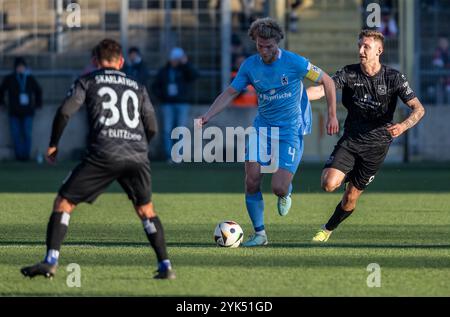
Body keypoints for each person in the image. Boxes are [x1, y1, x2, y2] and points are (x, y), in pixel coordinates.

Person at [20, 39, 175, 280]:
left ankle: (50, 261)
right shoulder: (137, 85)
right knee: (146, 210)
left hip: (104, 152)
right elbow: (152, 126)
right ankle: (165, 266)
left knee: (64, 203)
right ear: (121, 61)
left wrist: (53, 145)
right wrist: (140, 147)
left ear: (95, 62)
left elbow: (65, 111)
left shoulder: (88, 80)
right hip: (137, 154)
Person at [199, 17, 338, 247]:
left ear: (278, 42)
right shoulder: (250, 66)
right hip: (262, 128)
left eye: (269, 47)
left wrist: (332, 115)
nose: (264, 51)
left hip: (290, 131)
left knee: (278, 187)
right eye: (260, 46)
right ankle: (260, 234)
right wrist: (208, 115)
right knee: (252, 180)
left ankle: (286, 192)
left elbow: (328, 82)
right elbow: (231, 92)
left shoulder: (295, 62)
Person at [307, 29, 425, 242]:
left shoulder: (394, 78)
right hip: (351, 140)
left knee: (350, 198)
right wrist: (297, 97)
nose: (361, 50)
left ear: (379, 50)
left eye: (366, 47)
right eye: (359, 45)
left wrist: (404, 126)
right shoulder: (349, 73)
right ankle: (345, 174)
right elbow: (323, 90)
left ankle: (327, 229)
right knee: (328, 184)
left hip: (377, 147)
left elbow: (418, 109)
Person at [152, 47, 198, 162]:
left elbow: (194, 75)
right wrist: (162, 96)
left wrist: (186, 63)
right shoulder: (164, 71)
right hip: (167, 103)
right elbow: (155, 86)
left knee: (181, 130)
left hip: (182, 103)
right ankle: (169, 155)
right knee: (167, 130)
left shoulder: (184, 70)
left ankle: (179, 155)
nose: (175, 61)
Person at [0, 57, 42, 161]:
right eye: (18, 66)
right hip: (14, 112)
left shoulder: (29, 78)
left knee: (27, 134)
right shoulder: (10, 79)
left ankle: (26, 155)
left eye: (22, 66)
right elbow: (1, 91)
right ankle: (19, 156)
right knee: (16, 135)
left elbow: (38, 91)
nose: (20, 68)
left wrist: (37, 104)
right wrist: (2, 104)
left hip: (27, 111)